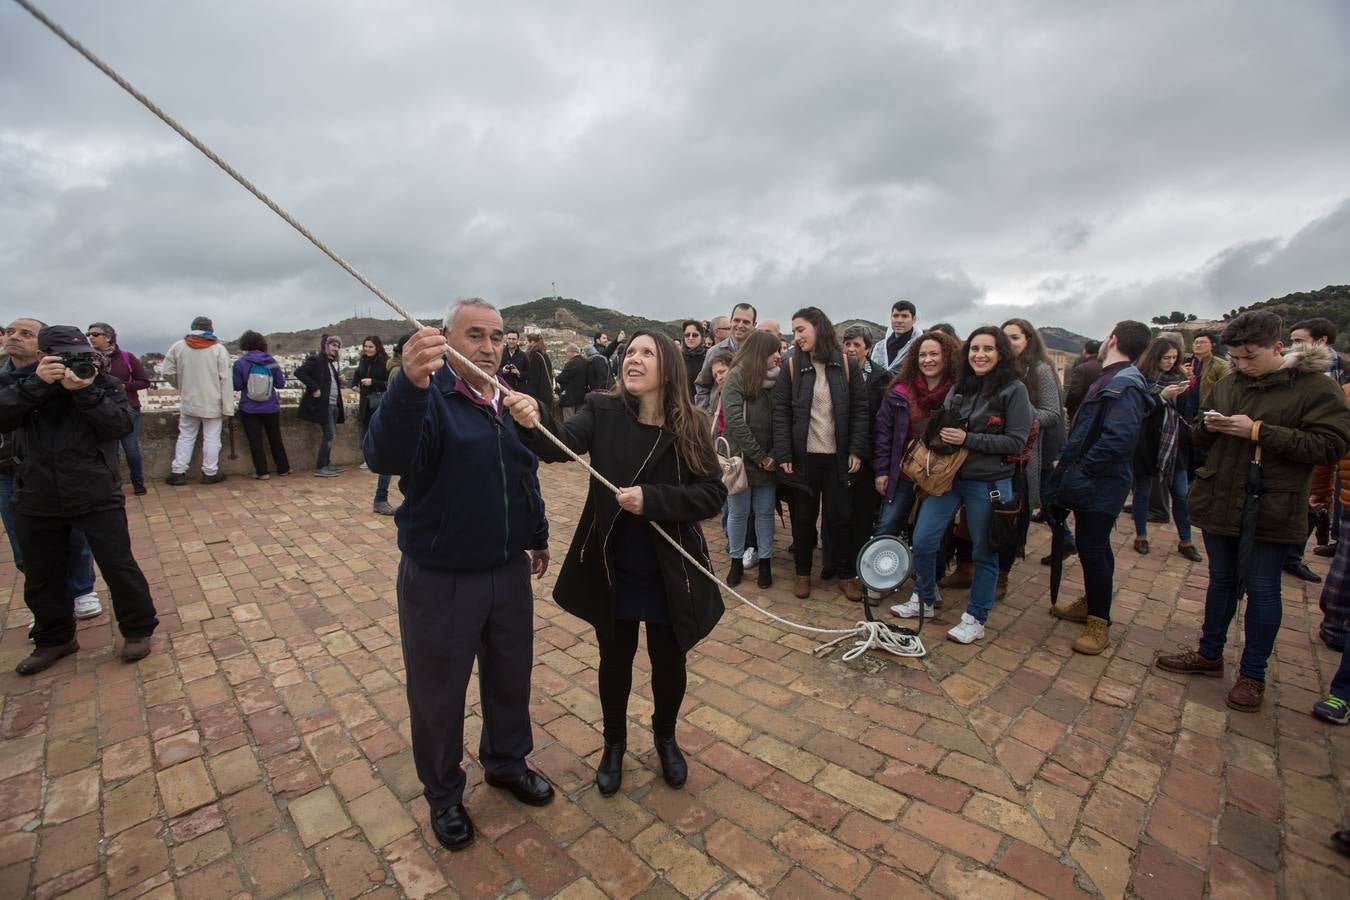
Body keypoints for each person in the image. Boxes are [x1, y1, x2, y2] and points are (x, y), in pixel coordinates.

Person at [364, 299, 553, 851]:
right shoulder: (429, 396)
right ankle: (444, 794)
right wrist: (407, 384)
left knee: (509, 677)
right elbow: (385, 453)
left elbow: (524, 473)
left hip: (506, 571)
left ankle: (506, 762)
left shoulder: (506, 399)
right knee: (439, 694)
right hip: (440, 576)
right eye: (475, 335)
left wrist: (536, 532)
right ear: (446, 338)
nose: (489, 347)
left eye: (497, 337)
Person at [503, 331, 726, 798]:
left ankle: (665, 738)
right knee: (615, 660)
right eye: (630, 353)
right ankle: (613, 744)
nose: (634, 360)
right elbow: (558, 443)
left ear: (668, 367)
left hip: (670, 568)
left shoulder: (693, 423)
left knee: (669, 661)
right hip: (612, 563)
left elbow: (712, 494)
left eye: (648, 353)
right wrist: (531, 419)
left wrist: (653, 500)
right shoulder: (602, 411)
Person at [1156, 311, 1350, 712]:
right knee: (1221, 581)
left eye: (1250, 357)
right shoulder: (1229, 382)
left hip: (1272, 505)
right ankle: (1210, 653)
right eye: (1237, 358)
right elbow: (1199, 431)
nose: (1243, 365)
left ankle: (1253, 674)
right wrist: (1209, 425)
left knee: (1262, 590)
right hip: (1222, 498)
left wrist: (1259, 431)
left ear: (1277, 348)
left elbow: (1330, 446)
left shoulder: (1315, 388)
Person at [0, 326, 159, 674]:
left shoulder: (102, 384)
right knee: (42, 573)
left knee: (118, 565)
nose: (72, 364)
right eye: (61, 357)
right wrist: (36, 386)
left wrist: (86, 393)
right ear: (43, 357)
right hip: (36, 492)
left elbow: (119, 425)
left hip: (93, 489)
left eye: (80, 357)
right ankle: (54, 638)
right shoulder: (18, 383)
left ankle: (137, 629)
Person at [902, 327, 1033, 643]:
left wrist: (968, 439)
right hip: (950, 479)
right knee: (922, 539)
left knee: (984, 551)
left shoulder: (1014, 390)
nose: (980, 354)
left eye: (988, 348)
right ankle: (925, 598)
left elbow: (1016, 441)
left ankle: (976, 617)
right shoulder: (961, 387)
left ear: (1000, 353)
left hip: (989, 483)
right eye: (974, 348)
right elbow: (946, 426)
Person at [1043, 321, 1153, 654]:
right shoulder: (1116, 377)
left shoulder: (1125, 383)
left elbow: (1117, 440)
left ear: (1113, 340)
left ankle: (1098, 622)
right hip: (1094, 478)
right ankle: (1092, 602)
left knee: (1092, 548)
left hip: (1100, 482)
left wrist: (1080, 471)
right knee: (1097, 545)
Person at [1, 318, 103, 623]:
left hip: (56, 468)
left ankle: (82, 589)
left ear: (43, 348)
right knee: (25, 542)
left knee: (74, 534)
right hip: (8, 468)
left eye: (25, 333)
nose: (13, 337)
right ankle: (49, 605)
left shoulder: (67, 374)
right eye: (9, 332)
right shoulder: (5, 378)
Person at [772, 307, 868, 602]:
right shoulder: (790, 367)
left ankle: (845, 574)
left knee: (841, 517)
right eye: (794, 331)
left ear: (818, 327)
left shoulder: (847, 365)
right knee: (803, 518)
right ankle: (803, 573)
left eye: (801, 329)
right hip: (804, 458)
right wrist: (785, 453)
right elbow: (781, 413)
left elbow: (861, 411)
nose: (796, 336)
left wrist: (856, 449)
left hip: (838, 458)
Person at [873, 330, 961, 539]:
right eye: (922, 355)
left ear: (946, 356)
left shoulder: (959, 393)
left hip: (940, 476)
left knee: (931, 538)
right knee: (886, 528)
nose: (927, 360)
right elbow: (884, 433)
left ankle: (926, 573)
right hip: (902, 472)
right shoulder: (899, 391)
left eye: (934, 354)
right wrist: (881, 471)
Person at [720, 330, 783, 588]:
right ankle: (736, 561)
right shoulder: (736, 377)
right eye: (774, 351)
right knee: (738, 513)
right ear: (761, 353)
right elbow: (734, 421)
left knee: (765, 513)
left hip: (769, 460)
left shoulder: (779, 381)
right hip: (741, 459)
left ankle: (765, 562)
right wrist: (759, 456)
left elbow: (784, 420)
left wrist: (774, 455)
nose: (778, 356)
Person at [1128, 337, 1200, 560]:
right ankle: (1141, 536)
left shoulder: (1181, 378)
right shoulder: (1141, 380)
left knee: (1181, 493)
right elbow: (1138, 411)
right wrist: (1161, 397)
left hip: (1175, 445)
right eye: (1165, 358)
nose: (1170, 362)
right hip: (1148, 444)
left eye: (1173, 358)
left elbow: (1187, 412)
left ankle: (1186, 540)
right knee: (1143, 492)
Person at [161, 315, 232, 485]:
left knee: (186, 436)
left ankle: (178, 471)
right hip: (212, 401)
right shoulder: (218, 349)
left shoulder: (178, 347)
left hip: (189, 400)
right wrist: (228, 408)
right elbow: (226, 380)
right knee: (212, 438)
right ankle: (210, 472)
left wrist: (182, 385)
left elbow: (168, 372)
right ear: (210, 329)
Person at [87, 323, 150, 495]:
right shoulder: (88, 360)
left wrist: (122, 386)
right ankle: (112, 485)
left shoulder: (126, 358)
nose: (91, 337)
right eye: (89, 334)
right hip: (101, 409)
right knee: (108, 450)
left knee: (130, 448)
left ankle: (138, 484)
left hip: (128, 408)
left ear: (108, 337)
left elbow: (144, 381)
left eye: (95, 334)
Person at [231, 330, 290, 480]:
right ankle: (283, 468)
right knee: (275, 438)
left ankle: (262, 472)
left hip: (249, 408)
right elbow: (280, 384)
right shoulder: (270, 362)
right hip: (270, 407)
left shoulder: (241, 363)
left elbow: (237, 385)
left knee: (255, 441)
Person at [1317, 386, 1350, 651]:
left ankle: (1335, 625)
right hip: (1348, 496)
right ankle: (1335, 626)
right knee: (1345, 567)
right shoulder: (1346, 394)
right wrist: (1320, 490)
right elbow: (1329, 444)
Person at [295, 335, 346, 477]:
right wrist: (314, 388)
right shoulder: (316, 360)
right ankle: (321, 466)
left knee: (330, 435)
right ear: (326, 345)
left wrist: (339, 380)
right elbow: (299, 372)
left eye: (338, 346)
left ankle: (326, 464)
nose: (336, 348)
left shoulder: (329, 363)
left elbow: (329, 382)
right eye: (333, 345)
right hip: (326, 405)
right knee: (329, 435)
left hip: (333, 404)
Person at [695, 303, 757, 411]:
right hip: (718, 419)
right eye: (737, 320)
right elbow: (702, 386)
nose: (740, 325)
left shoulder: (758, 353)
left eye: (746, 322)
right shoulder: (714, 352)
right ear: (731, 321)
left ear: (754, 325)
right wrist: (705, 416)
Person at [869, 299, 918, 376]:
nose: (899, 320)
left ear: (914, 319)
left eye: (904, 316)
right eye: (895, 316)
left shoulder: (919, 346)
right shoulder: (880, 347)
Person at [1064, 339, 1102, 426]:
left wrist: (1067, 407)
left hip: (1080, 412)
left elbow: (1074, 393)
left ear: (1085, 351)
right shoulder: (1106, 368)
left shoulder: (1082, 368)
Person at [523, 333, 555, 413]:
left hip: (539, 395)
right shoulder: (545, 355)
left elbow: (534, 378)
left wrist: (529, 394)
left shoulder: (535, 356)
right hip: (547, 393)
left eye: (526, 342)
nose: (525, 344)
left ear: (532, 342)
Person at [555, 344, 588, 422]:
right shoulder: (585, 362)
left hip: (569, 398)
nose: (566, 355)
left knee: (569, 421)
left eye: (566, 353)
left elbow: (561, 378)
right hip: (581, 397)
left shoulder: (572, 363)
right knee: (579, 421)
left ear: (571, 352)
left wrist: (557, 378)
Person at [680, 320, 707, 398]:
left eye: (695, 335)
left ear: (702, 336)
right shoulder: (676, 357)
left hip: (703, 405)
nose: (690, 338)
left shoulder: (709, 356)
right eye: (687, 335)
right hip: (681, 405)